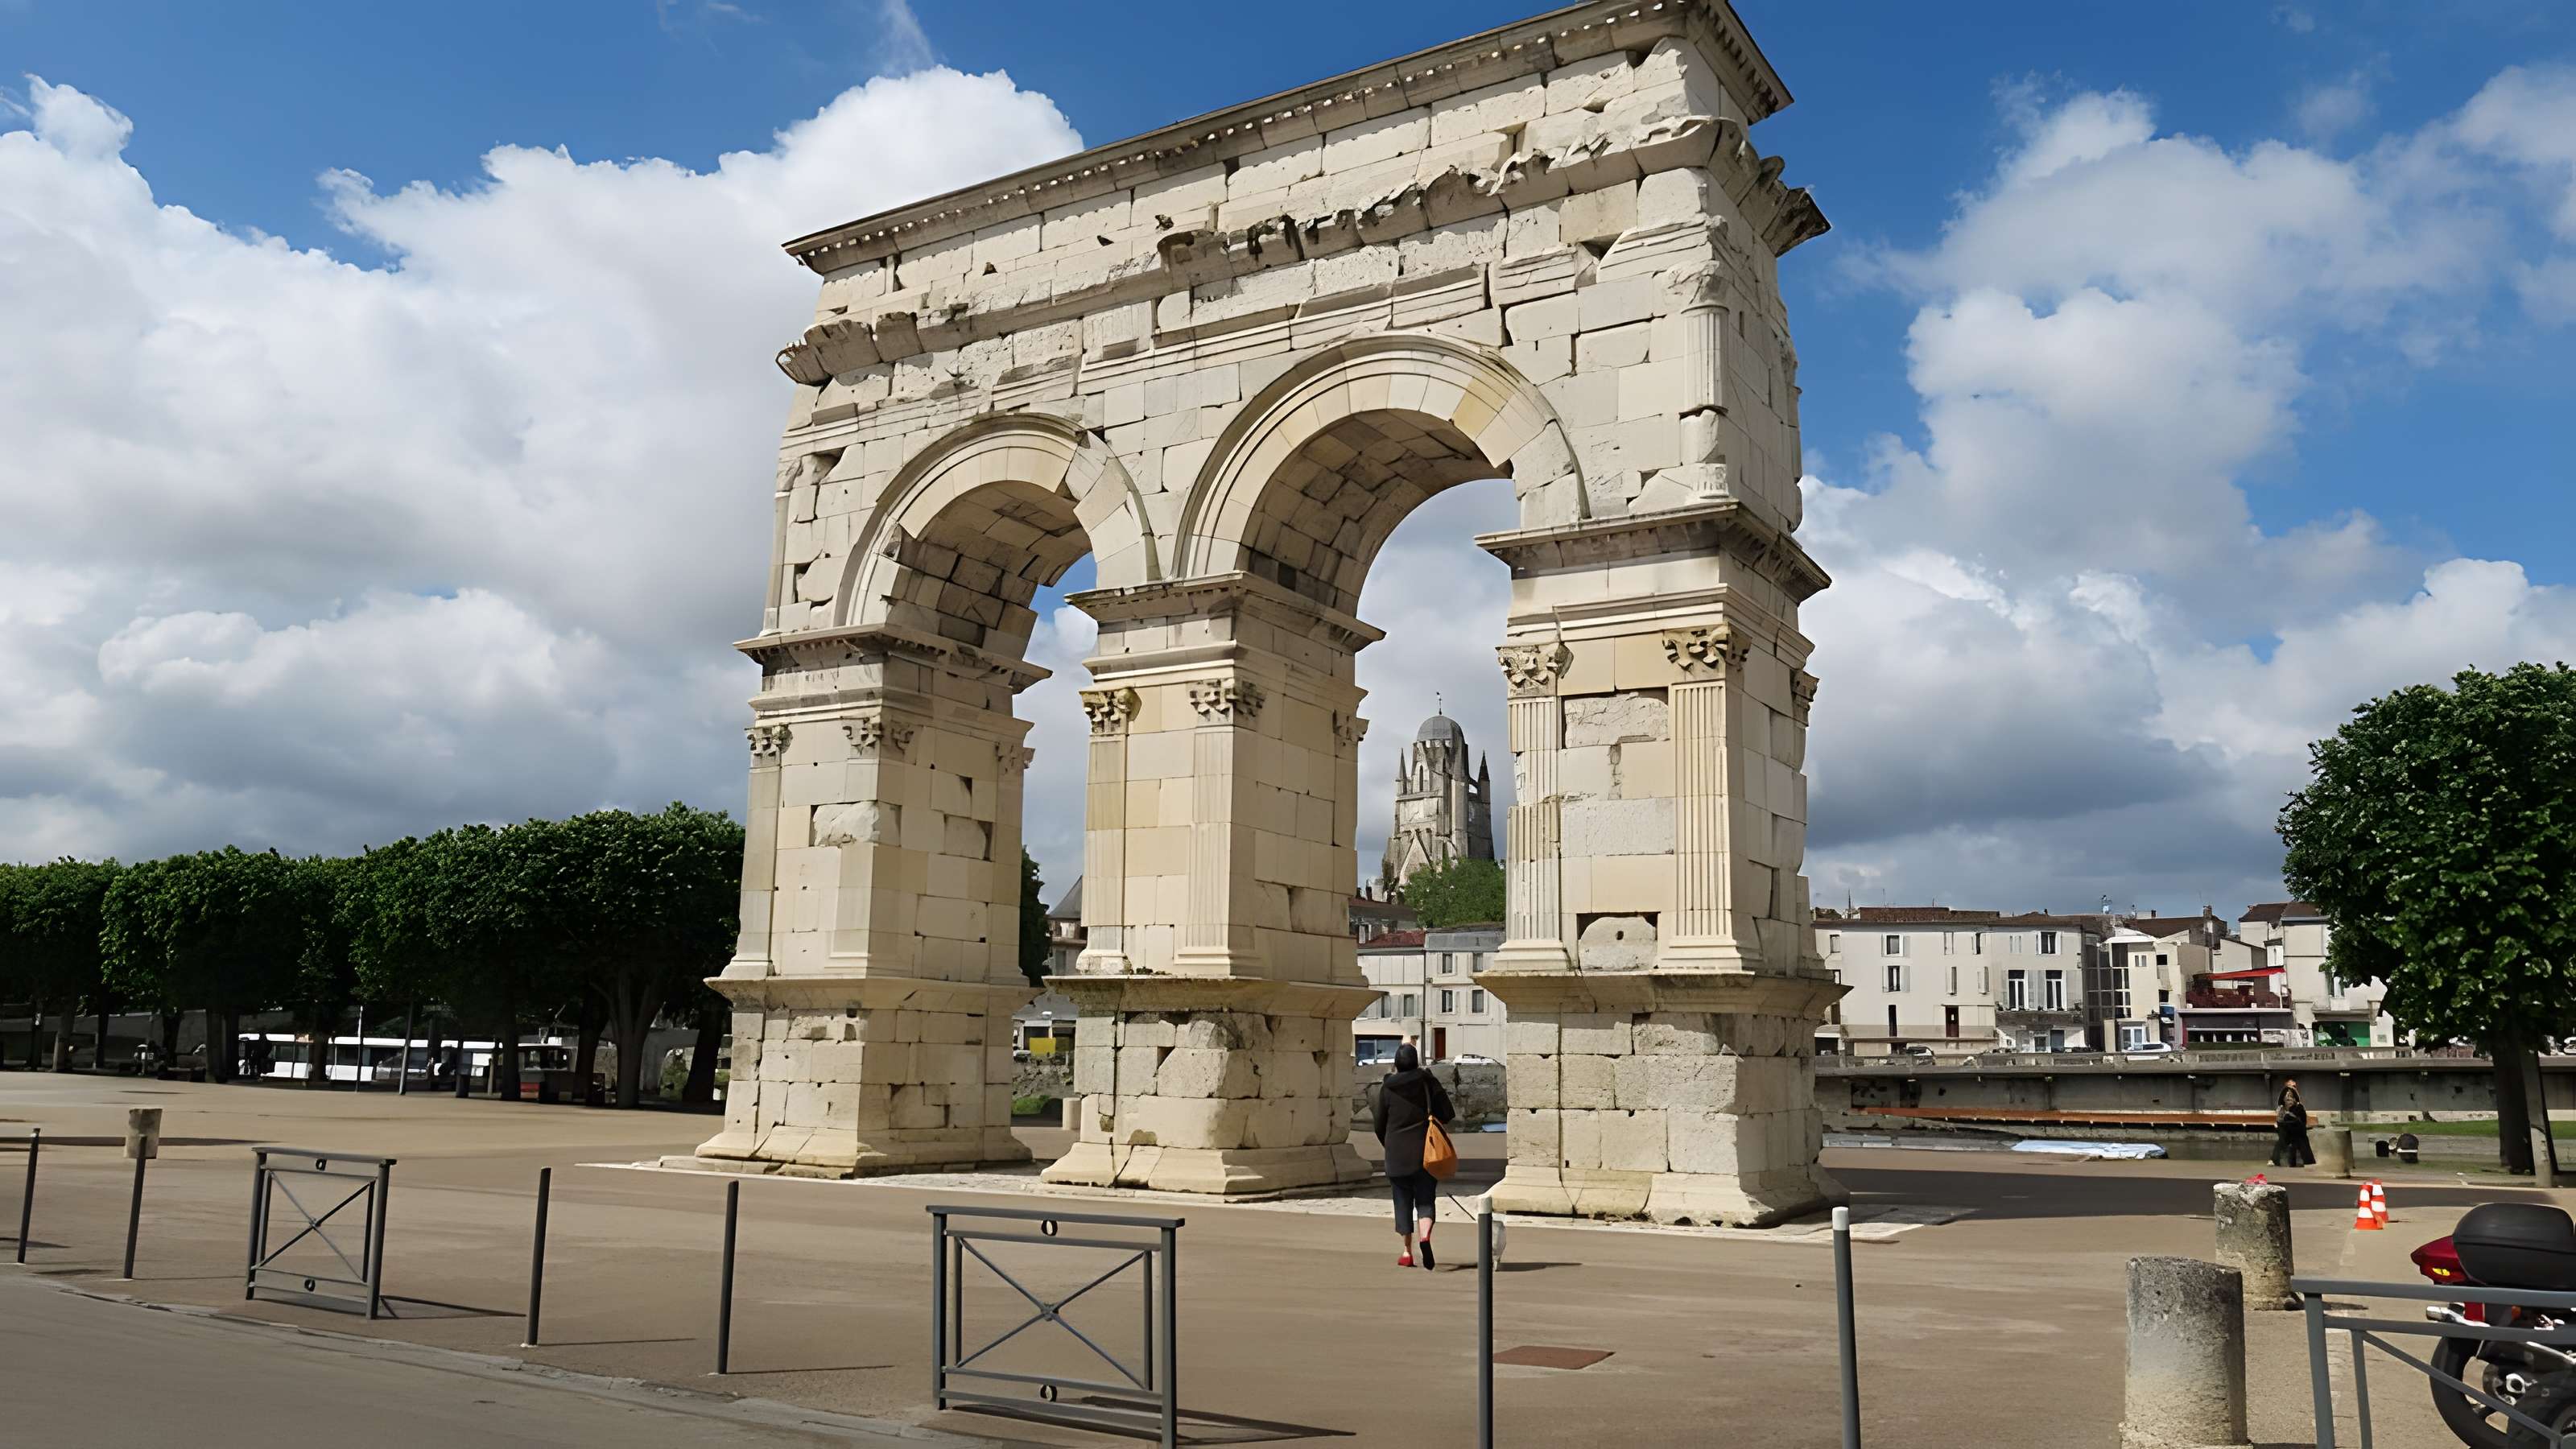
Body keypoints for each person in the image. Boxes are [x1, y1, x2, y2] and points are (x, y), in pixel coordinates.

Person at [1371, 1041, 1456, 1270]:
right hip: (1426, 1152)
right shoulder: (1427, 1082)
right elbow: (1448, 1113)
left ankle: (1407, 1252)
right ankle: (1425, 1237)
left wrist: (1388, 1145)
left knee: (1402, 1201)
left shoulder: (1387, 1088)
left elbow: (1379, 1124)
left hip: (1397, 1154)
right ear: (1417, 1061)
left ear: (1396, 1064)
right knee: (1426, 1200)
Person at [2273, 1077, 2314, 1167]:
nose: (2289, 1098)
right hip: (2287, 1134)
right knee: (2282, 1140)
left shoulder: (2299, 1108)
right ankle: (2275, 1160)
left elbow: (2302, 1123)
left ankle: (2308, 1162)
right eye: (2287, 1098)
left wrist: (2292, 1118)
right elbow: (2280, 1124)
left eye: (2291, 1097)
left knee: (2301, 1141)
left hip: (2298, 1133)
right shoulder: (2281, 1109)